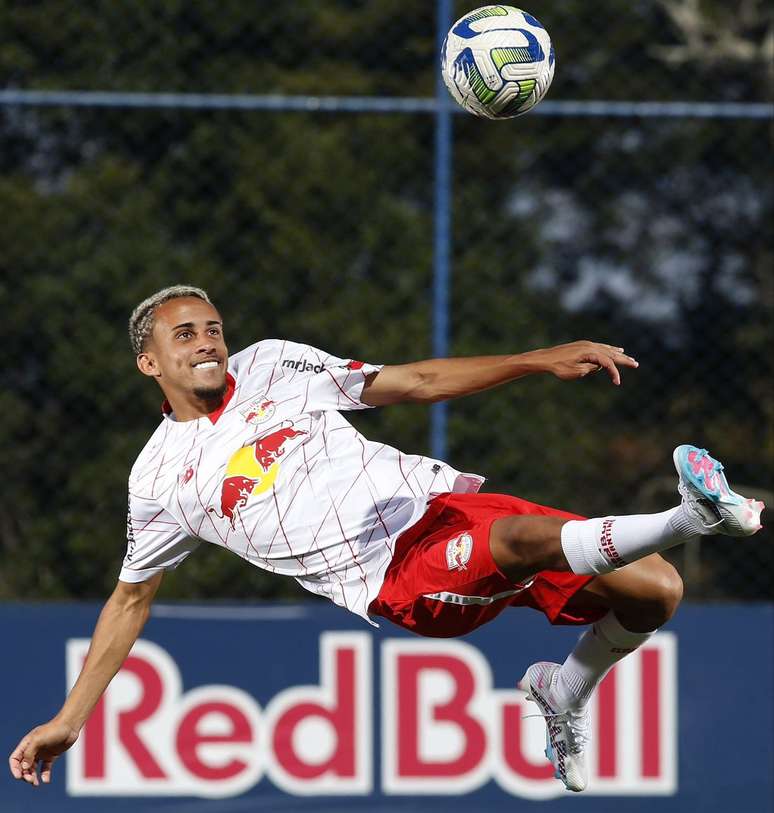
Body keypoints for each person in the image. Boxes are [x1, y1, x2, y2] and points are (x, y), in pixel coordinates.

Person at [9, 284, 764, 793]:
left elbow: (417, 383)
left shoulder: (272, 361)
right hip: (396, 576)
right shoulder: (157, 479)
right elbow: (130, 599)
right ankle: (695, 515)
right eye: (184, 334)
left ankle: (562, 690)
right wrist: (70, 718)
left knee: (657, 590)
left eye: (211, 327)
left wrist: (535, 360)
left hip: (443, 504)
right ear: (150, 362)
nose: (206, 341)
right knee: (529, 539)